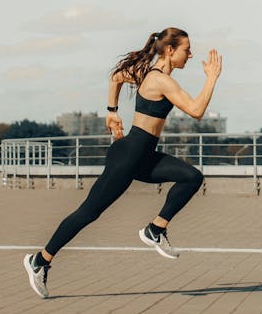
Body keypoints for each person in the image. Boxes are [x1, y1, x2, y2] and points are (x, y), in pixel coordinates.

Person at [24, 27, 222, 298]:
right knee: (88, 214)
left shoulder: (147, 74)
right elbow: (197, 110)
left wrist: (111, 112)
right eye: (187, 49)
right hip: (128, 157)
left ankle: (155, 229)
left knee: (192, 177)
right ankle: (40, 260)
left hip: (143, 156)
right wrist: (211, 79)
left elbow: (116, 77)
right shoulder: (160, 80)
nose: (190, 54)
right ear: (169, 50)